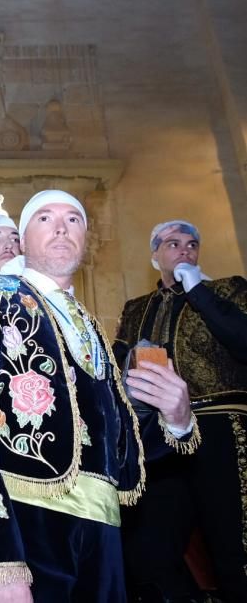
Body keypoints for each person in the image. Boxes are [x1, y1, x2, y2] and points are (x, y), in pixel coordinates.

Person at [0, 190, 199, 603]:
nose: (61, 227)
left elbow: (120, 451)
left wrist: (177, 420)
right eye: (44, 218)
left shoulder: (91, 327)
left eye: (73, 219)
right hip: (24, 524)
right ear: (21, 240)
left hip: (105, 539)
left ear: (85, 239)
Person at [113, 220, 247, 603]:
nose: (184, 250)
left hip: (223, 425)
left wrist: (199, 291)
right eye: (173, 244)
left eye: (191, 244)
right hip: (159, 437)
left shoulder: (228, 289)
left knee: (233, 542)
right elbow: (119, 361)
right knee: (149, 548)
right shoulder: (137, 306)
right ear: (155, 256)